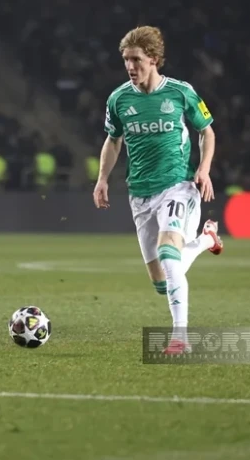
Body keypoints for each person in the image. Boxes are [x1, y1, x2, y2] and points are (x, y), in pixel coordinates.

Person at [92, 26, 223, 355]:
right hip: (140, 193)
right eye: (126, 60)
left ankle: (180, 338)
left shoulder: (180, 92)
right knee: (162, 282)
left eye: (136, 59)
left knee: (168, 253)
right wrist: (102, 178)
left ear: (153, 59)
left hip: (177, 186)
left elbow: (207, 131)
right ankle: (207, 240)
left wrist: (204, 169)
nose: (130, 66)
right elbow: (113, 140)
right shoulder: (119, 99)